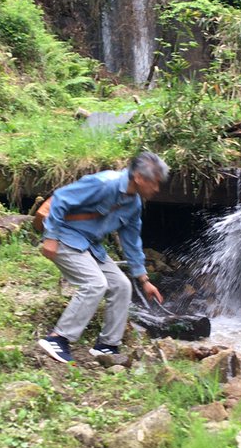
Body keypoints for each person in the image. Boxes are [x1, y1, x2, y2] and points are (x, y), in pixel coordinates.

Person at [37, 152, 169, 364]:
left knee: (122, 286)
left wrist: (144, 280)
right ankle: (57, 339)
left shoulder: (133, 204)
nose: (156, 189)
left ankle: (106, 346)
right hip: (66, 238)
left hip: (91, 246)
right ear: (139, 177)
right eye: (154, 183)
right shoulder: (104, 183)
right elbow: (61, 198)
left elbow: (132, 241)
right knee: (95, 284)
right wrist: (50, 237)